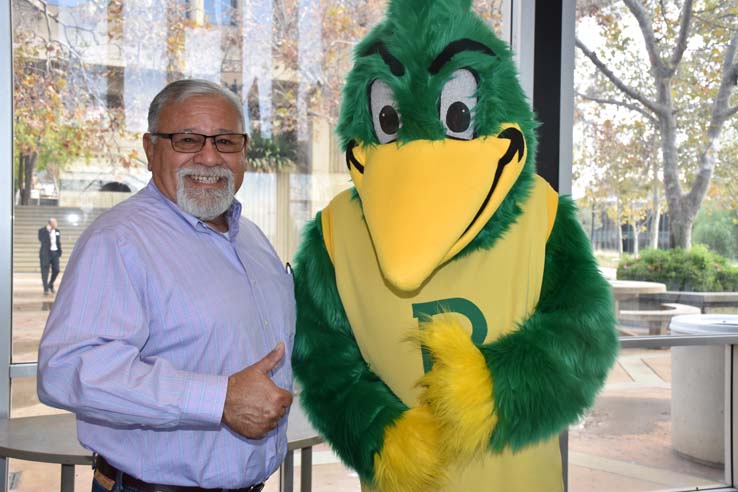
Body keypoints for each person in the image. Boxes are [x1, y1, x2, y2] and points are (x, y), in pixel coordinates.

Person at [37, 79, 295, 492]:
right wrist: (219, 399)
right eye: (188, 140)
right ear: (150, 149)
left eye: (226, 141)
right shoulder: (119, 241)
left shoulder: (252, 239)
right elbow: (67, 370)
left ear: (244, 150)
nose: (210, 157)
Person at [38, 217, 62, 295]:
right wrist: (48, 231)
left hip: (55, 253)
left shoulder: (57, 231)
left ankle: (50, 284)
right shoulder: (42, 231)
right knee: (45, 271)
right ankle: (45, 289)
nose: (56, 224)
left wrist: (59, 251)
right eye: (55, 223)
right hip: (46, 254)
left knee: (57, 270)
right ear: (50, 223)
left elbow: (58, 242)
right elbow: (42, 240)